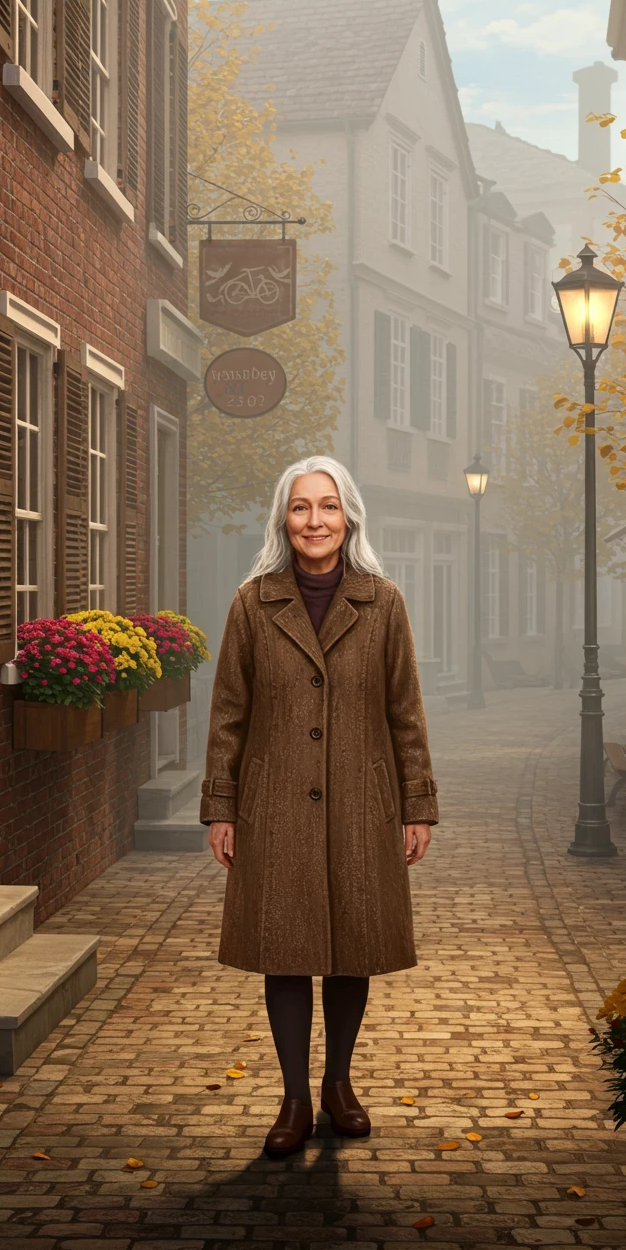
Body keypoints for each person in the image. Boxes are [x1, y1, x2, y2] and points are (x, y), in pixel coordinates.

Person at [199, 455, 438, 1158]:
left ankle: (340, 1085)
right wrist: (222, 806)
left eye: (327, 506)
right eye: (301, 508)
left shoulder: (384, 602)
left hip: (365, 801)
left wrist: (416, 804)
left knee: (351, 948)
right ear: (284, 519)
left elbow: (406, 713)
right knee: (285, 948)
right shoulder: (253, 602)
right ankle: (295, 1099)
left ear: (349, 517)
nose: (314, 521)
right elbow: (228, 716)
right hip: (273, 804)